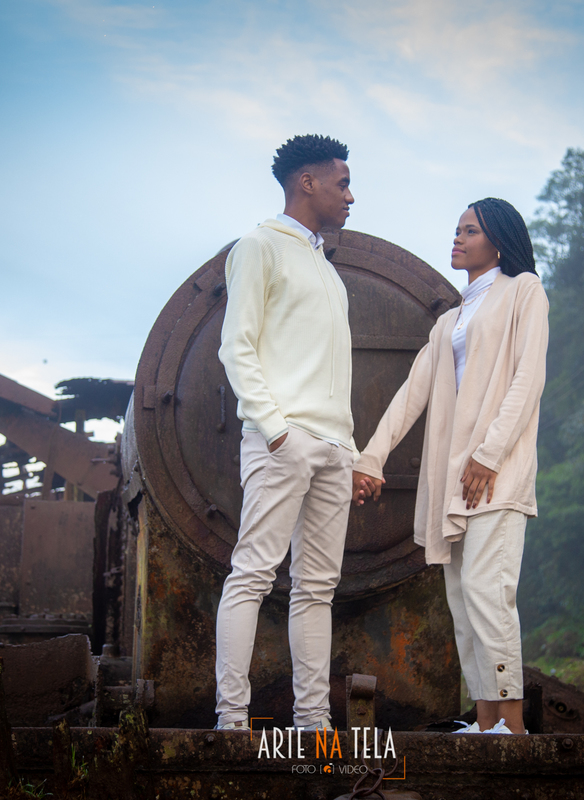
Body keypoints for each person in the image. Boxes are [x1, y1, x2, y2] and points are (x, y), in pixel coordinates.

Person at [352, 197, 548, 735]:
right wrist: (371, 458)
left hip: (497, 473)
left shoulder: (524, 291)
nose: (457, 238)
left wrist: (489, 454)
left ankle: (512, 724)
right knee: (463, 601)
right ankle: (485, 723)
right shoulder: (449, 322)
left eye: (470, 231)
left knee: (489, 592)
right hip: (456, 481)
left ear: (499, 242)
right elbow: (410, 396)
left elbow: (528, 378)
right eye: (457, 230)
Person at [214, 135, 356, 732]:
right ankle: (231, 719)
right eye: (342, 184)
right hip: (284, 441)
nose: (351, 196)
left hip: (333, 448)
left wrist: (346, 447)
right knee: (252, 574)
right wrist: (276, 431)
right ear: (308, 182)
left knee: (316, 590)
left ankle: (313, 723)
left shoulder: (325, 267)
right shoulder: (259, 246)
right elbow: (236, 346)